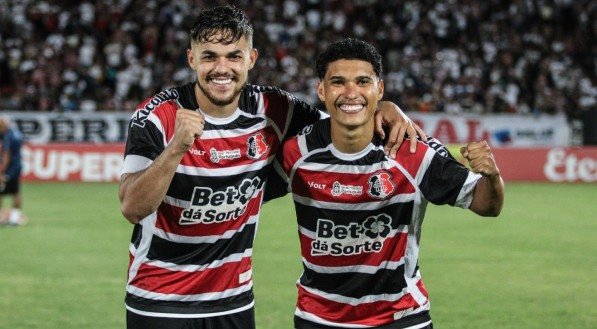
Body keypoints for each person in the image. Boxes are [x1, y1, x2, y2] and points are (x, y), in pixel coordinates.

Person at [118, 6, 425, 329]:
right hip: (159, 301)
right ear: (192, 59)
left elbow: (344, 124)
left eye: (233, 56)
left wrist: (385, 106)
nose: (222, 68)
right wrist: (177, 148)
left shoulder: (274, 109)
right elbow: (132, 207)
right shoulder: (157, 117)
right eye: (209, 57)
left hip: (234, 300)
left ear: (251, 59)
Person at [277, 38, 505, 328]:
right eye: (338, 82)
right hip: (318, 319)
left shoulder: (412, 152)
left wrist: (492, 176)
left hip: (401, 318)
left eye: (362, 81)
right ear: (321, 89)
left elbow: (487, 204)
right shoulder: (296, 153)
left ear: (379, 89)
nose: (351, 93)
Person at [0, 115, 26, 226]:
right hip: (17, 166)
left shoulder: (8, 136)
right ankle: (14, 217)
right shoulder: (16, 134)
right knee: (15, 191)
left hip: (10, 168)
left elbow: (7, 154)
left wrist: (2, 171)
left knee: (2, 191)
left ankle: (11, 218)